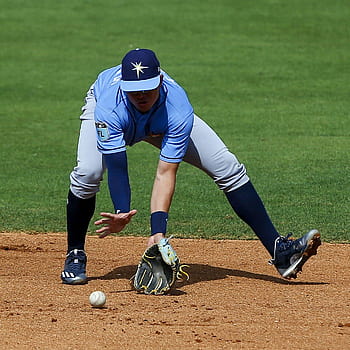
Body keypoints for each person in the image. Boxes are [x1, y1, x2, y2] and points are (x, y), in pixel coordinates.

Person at [61, 48, 321, 285]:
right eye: (134, 89)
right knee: (88, 173)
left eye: (147, 88)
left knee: (227, 166)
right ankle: (75, 252)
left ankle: (281, 252)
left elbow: (165, 172)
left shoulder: (177, 108)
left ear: (160, 81)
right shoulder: (109, 105)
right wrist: (121, 210)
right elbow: (117, 166)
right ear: (124, 87)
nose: (140, 95)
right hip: (114, 115)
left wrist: (157, 232)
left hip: (162, 119)